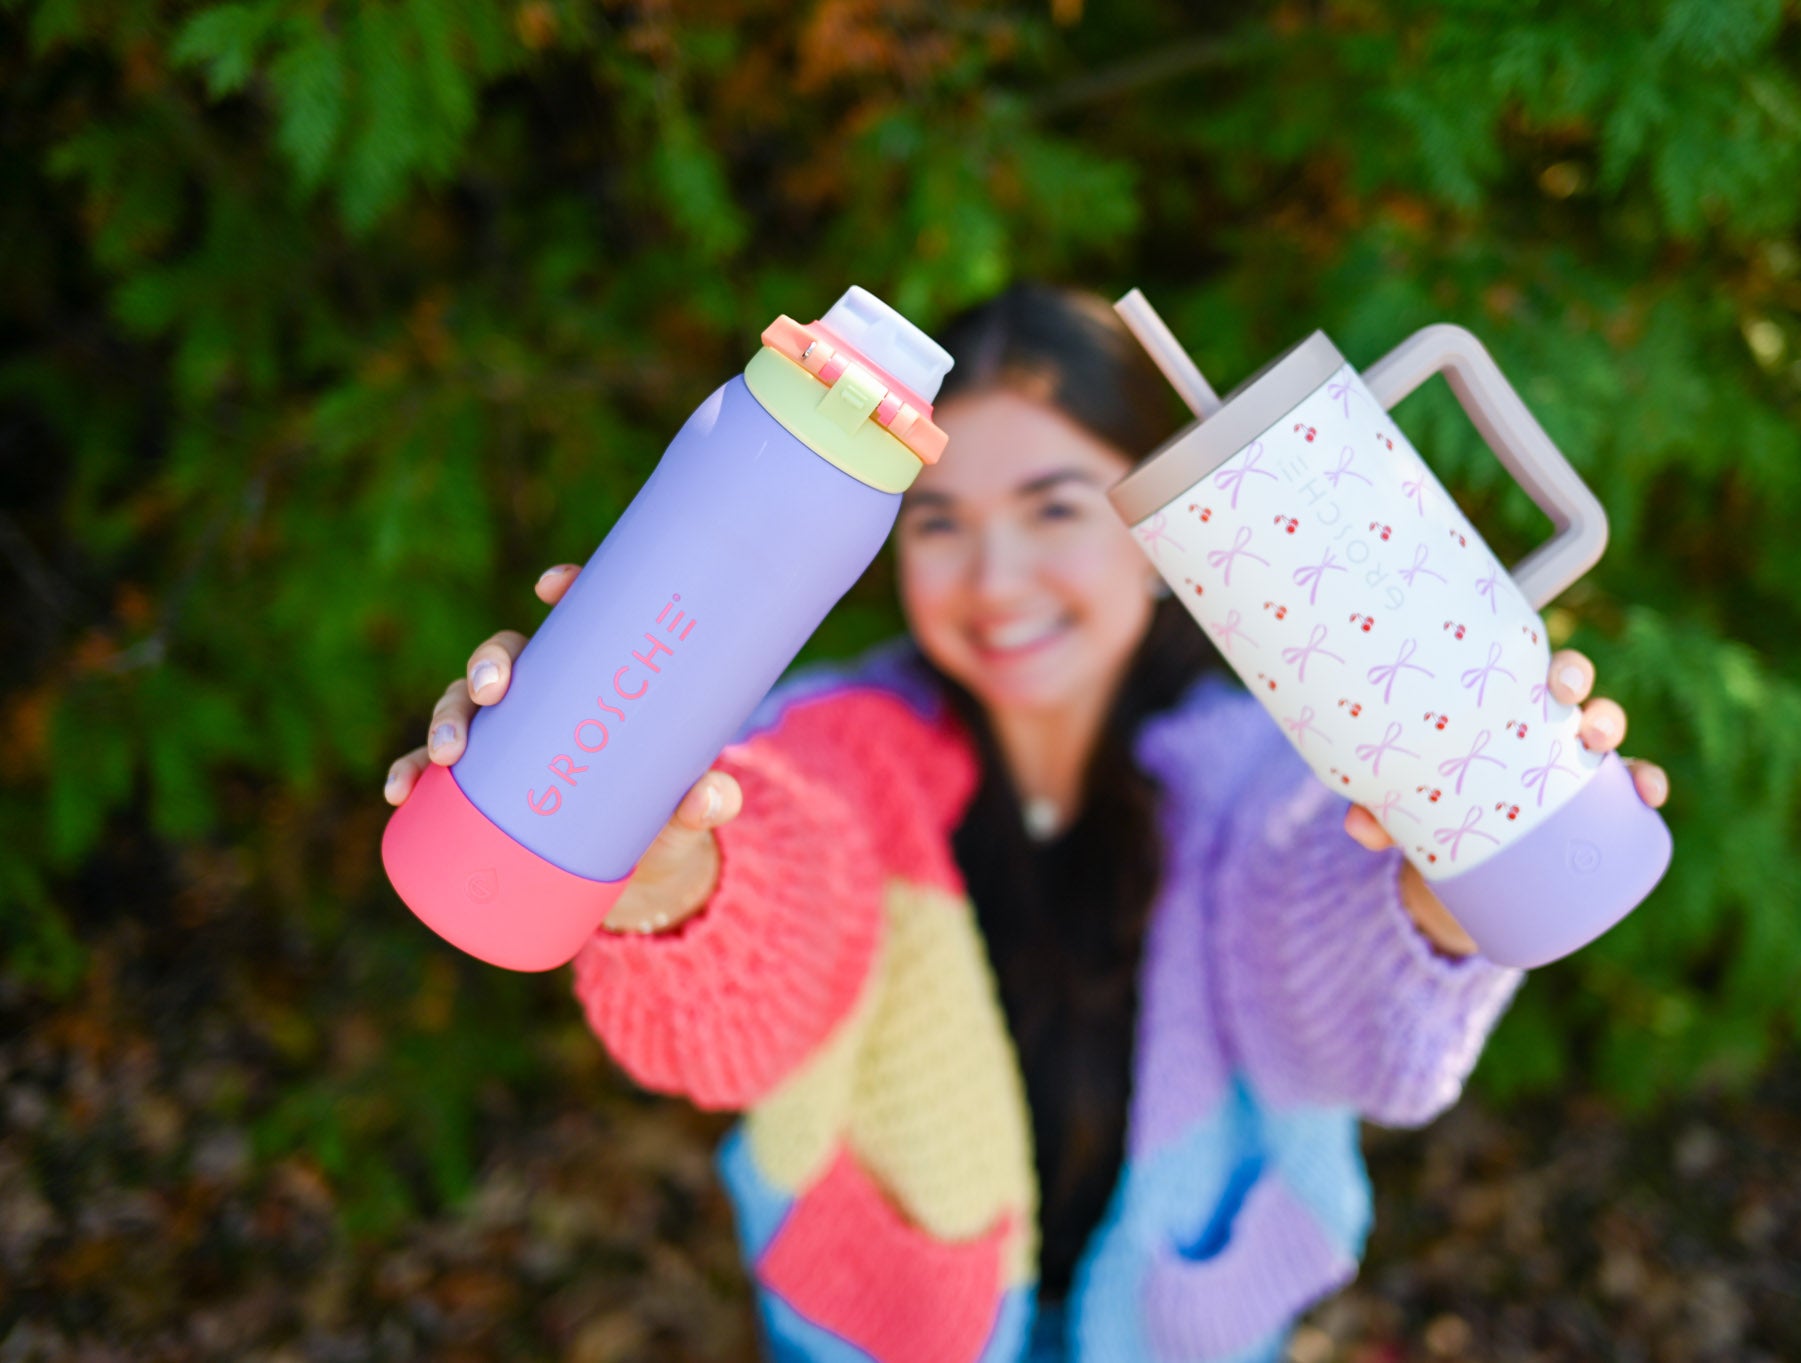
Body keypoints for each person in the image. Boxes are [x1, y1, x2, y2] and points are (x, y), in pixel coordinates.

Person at [383, 284, 1671, 1363]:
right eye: (940, 524)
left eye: (1056, 509)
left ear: (1173, 525)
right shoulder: (825, 748)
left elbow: (1356, 1046)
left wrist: (1444, 893)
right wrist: (661, 864)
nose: (995, 583)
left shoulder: (1263, 772)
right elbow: (748, 1004)